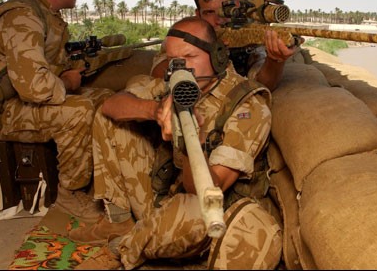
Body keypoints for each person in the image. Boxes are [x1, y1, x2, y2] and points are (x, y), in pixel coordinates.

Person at [70, 16, 281, 269]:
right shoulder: (173, 84)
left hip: (204, 212)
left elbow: (207, 189)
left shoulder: (248, 105)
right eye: (172, 60)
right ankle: (120, 221)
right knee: (110, 120)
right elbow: (111, 105)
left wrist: (190, 139)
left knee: (200, 211)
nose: (179, 67)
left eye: (189, 57)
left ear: (218, 56)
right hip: (164, 196)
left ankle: (124, 248)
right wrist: (155, 110)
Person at [0, 0, 113, 222]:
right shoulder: (22, 16)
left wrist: (68, 70)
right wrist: (68, 81)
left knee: (104, 98)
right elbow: (35, 87)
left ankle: (99, 178)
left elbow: (41, 67)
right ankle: (69, 194)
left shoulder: (44, 13)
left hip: (18, 99)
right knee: (80, 111)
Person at [151, 0, 297, 92]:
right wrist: (206, 53)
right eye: (209, 12)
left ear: (236, 6)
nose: (218, 19)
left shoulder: (247, 32)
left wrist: (275, 60)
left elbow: (263, 83)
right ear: (198, 14)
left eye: (224, 10)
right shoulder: (186, 33)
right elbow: (156, 73)